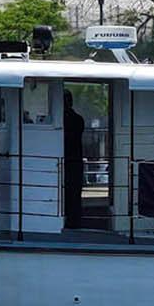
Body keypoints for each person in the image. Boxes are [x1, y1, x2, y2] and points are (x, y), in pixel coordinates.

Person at [62, 97, 86, 231]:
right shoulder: (79, 119)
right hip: (75, 159)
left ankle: (71, 221)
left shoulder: (74, 119)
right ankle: (74, 221)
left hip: (70, 159)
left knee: (70, 192)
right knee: (74, 192)